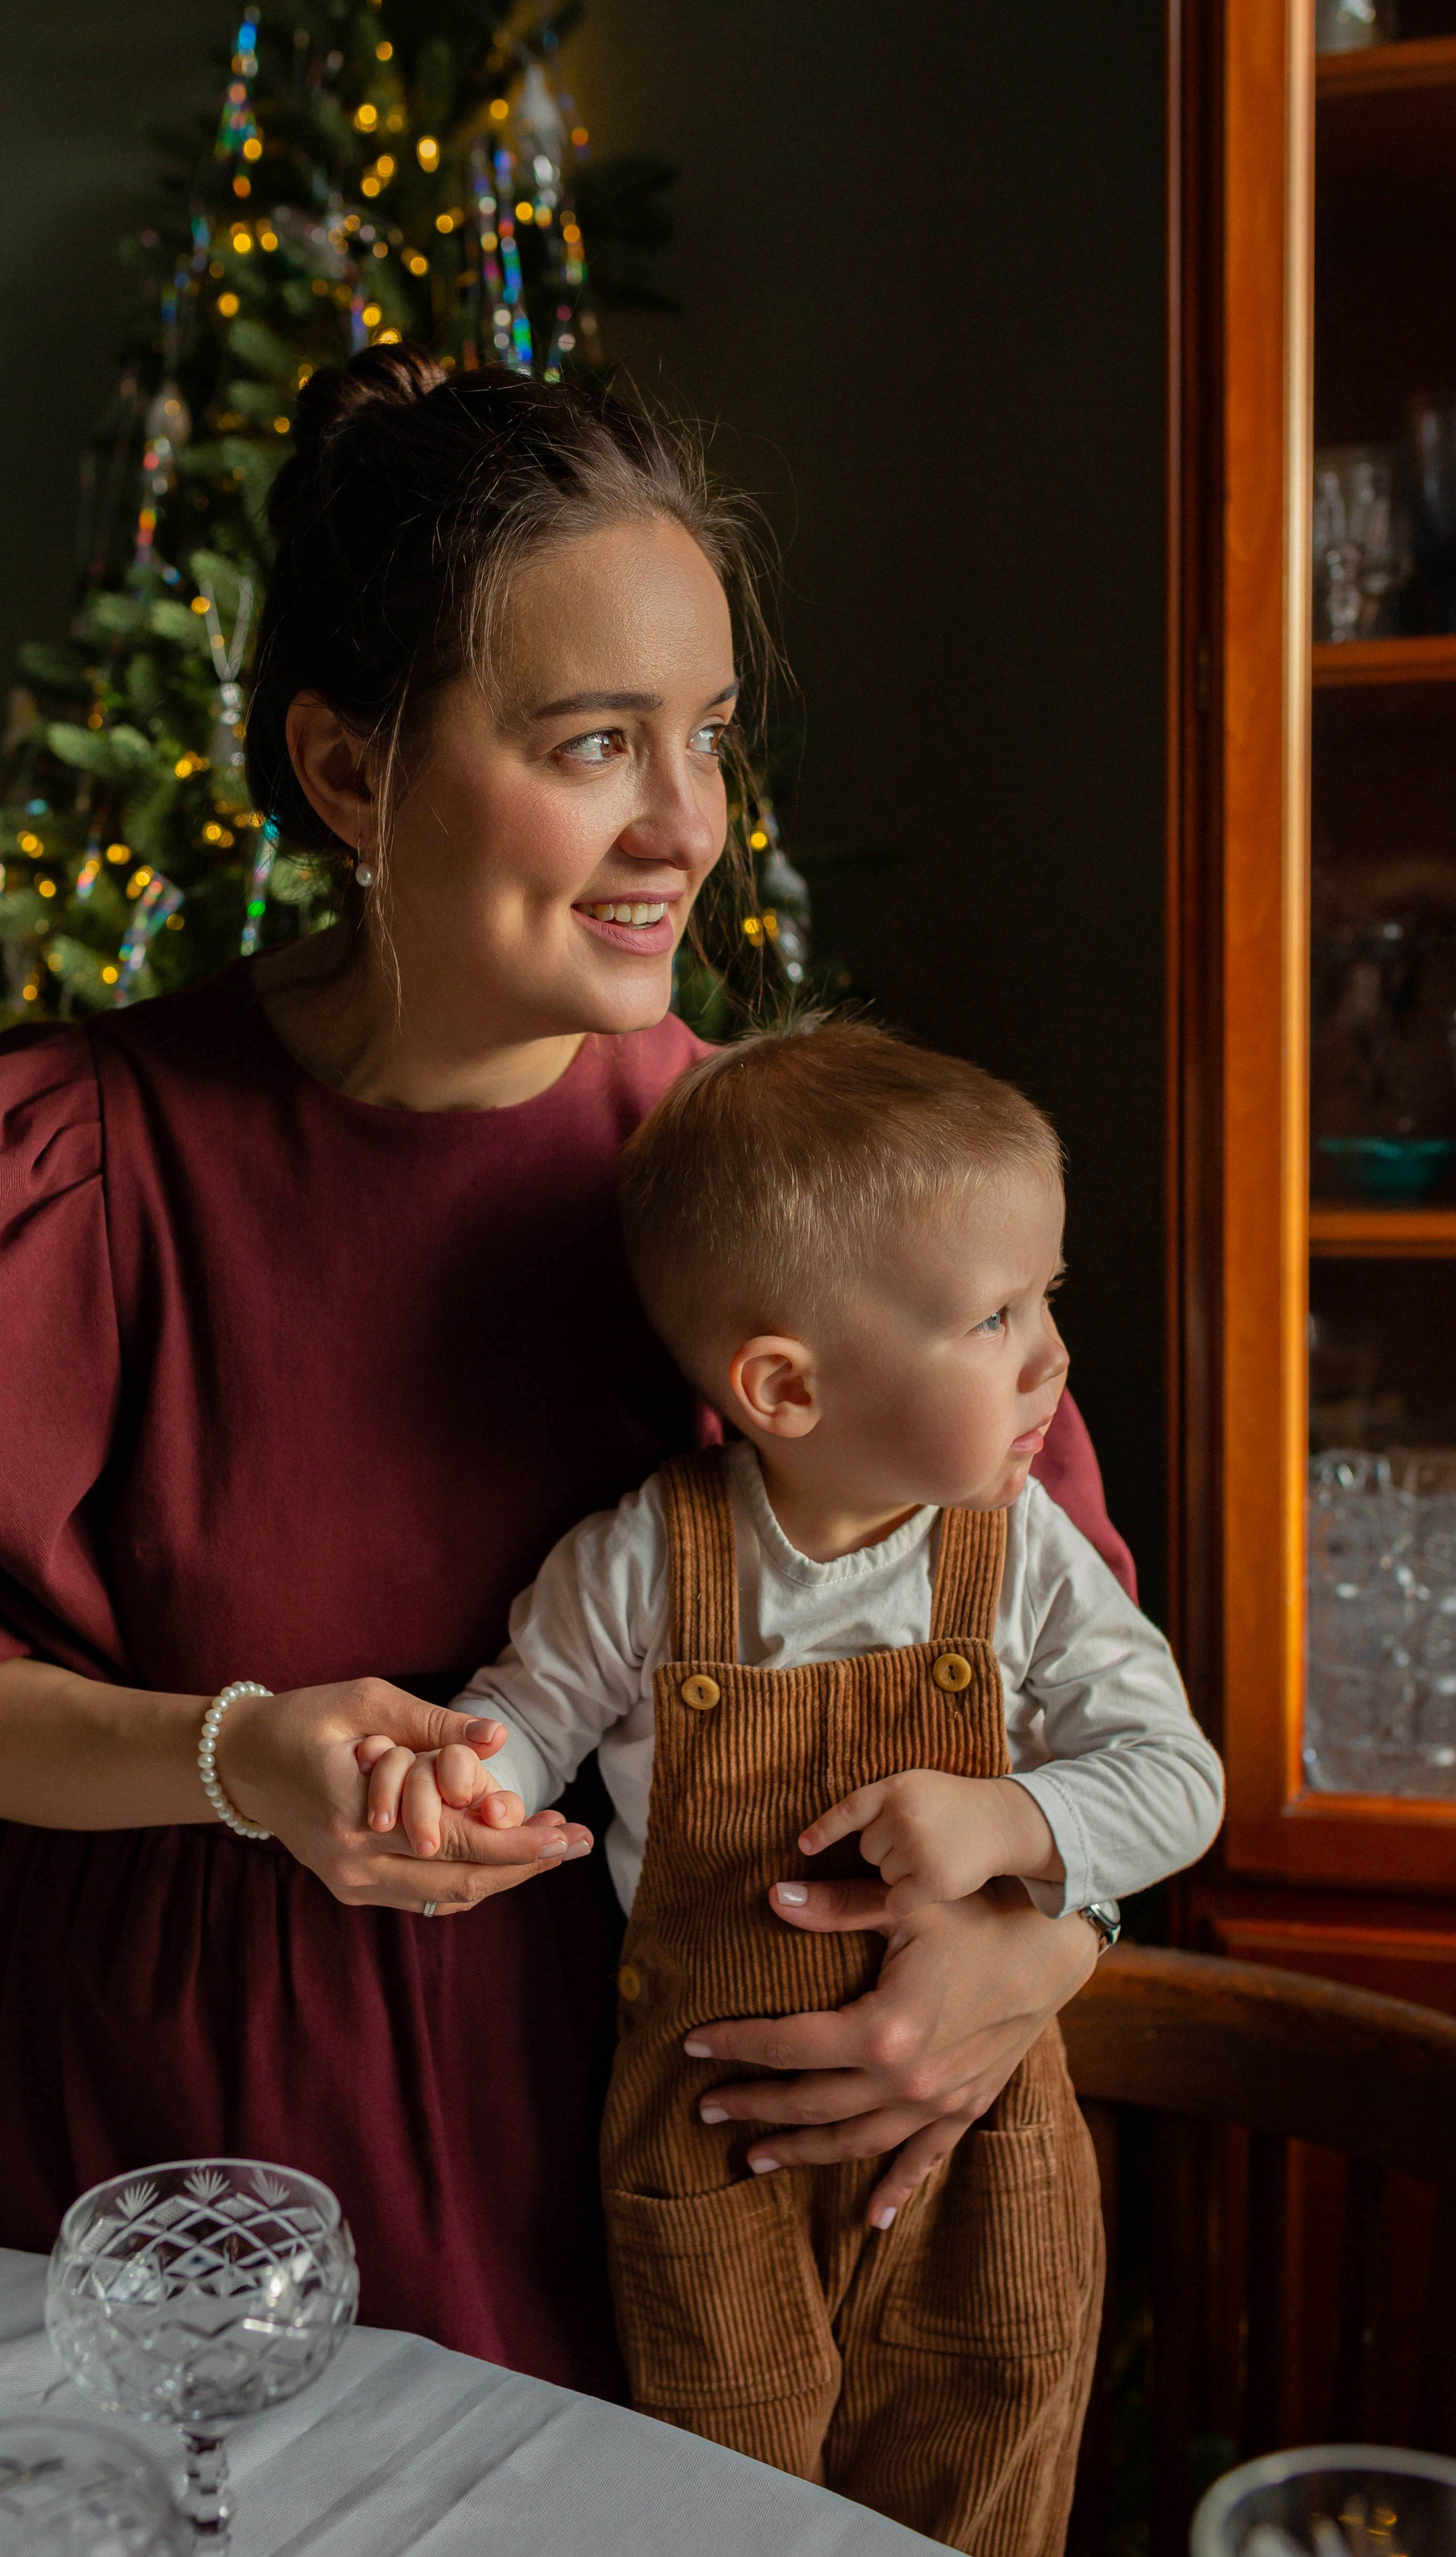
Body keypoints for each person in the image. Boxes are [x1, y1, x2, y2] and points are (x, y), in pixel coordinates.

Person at [0, 348, 1132, 2402]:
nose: (688, 825)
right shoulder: (70, 1167)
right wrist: (241, 1758)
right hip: (167, 2158)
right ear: (346, 769)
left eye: (708, 736)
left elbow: (1069, 1667)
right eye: (594, 744)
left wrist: (1045, 1947)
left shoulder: (806, 1200)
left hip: (643, 2177)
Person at [361, 1018, 1221, 2555]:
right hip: (717, 2151)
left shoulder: (1023, 1557)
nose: (1050, 1358)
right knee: (731, 2506)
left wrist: (1016, 1820)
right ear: (784, 1385)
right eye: (994, 1316)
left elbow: (1177, 1780)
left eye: (1048, 1297)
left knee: (981, 2470)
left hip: (974, 2154)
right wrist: (462, 1785)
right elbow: (525, 1713)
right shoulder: (642, 1561)